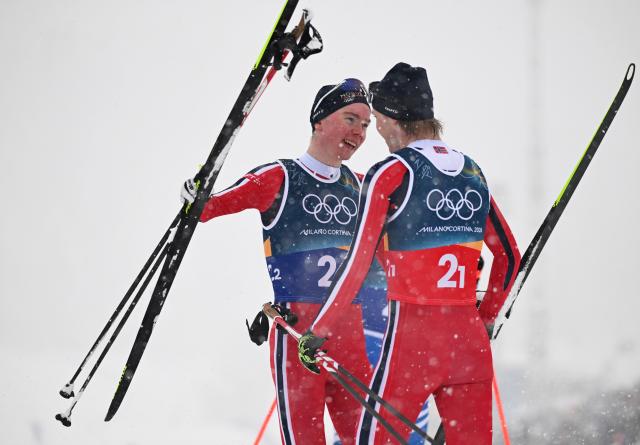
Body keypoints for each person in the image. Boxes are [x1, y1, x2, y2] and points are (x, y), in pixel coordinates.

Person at [298, 63, 521, 444]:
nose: (377, 130)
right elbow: (510, 258)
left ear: (391, 118)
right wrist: (484, 319)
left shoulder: (392, 172)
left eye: (378, 119)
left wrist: (319, 330)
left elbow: (357, 264)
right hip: (468, 345)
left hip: (412, 346)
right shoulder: (472, 171)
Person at [182, 78, 376, 445]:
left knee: (367, 441)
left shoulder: (365, 187)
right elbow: (210, 208)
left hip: (351, 336)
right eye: (350, 119)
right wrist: (196, 193)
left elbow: (409, 228)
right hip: (297, 335)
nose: (360, 132)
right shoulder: (279, 178)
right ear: (319, 121)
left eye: (365, 125)